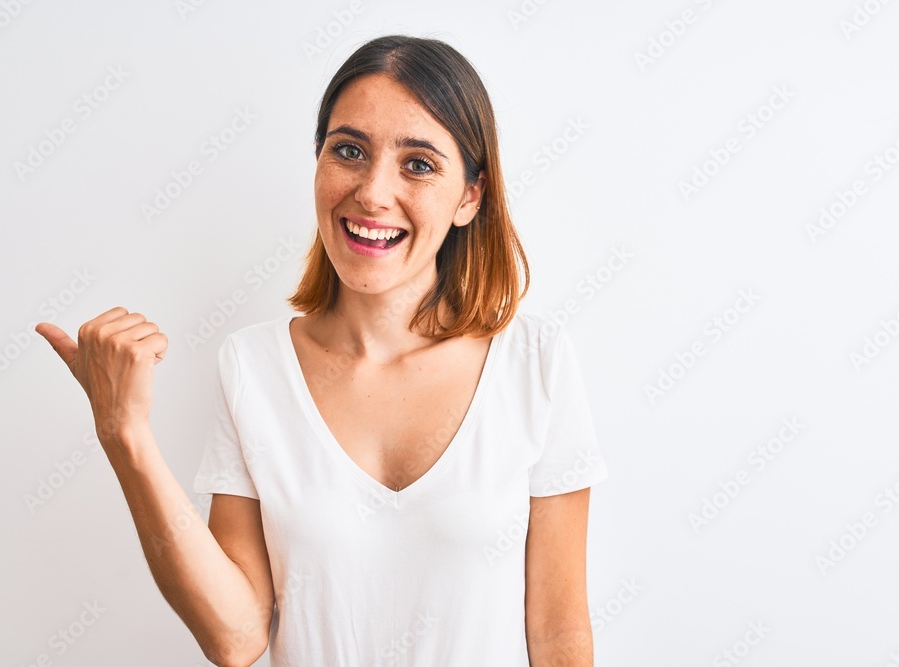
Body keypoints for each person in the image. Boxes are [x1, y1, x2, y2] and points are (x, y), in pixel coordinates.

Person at [36, 34, 608, 667]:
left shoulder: (536, 363)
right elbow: (235, 636)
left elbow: (559, 636)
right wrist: (125, 435)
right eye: (349, 151)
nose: (371, 192)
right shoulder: (252, 367)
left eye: (418, 163)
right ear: (318, 161)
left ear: (470, 196)